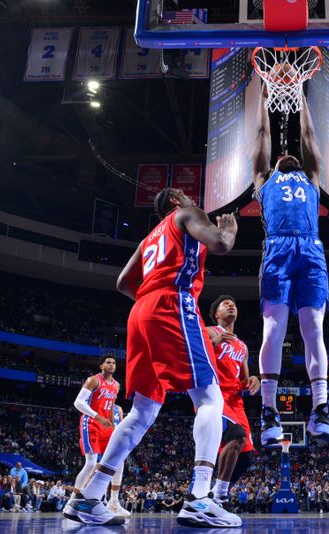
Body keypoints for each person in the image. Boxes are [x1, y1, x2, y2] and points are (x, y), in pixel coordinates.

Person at [67, 188, 240, 527]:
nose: (191, 198)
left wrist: (149, 300)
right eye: (185, 195)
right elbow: (220, 244)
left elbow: (122, 283)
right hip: (173, 303)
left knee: (142, 412)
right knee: (209, 398)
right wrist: (229, 228)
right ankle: (199, 499)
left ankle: (89, 497)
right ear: (176, 202)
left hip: (141, 311)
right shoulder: (188, 214)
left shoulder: (149, 238)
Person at [252, 84, 329, 446]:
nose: (288, 154)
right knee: (274, 328)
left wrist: (301, 96)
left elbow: (309, 134)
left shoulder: (313, 178)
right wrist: (263, 99)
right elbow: (262, 134)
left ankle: (321, 410)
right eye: (281, 155)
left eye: (293, 154)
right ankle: (269, 412)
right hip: (278, 252)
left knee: (313, 326)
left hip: (311, 251)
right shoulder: (263, 178)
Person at [205, 295, 261, 506]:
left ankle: (216, 494)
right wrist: (211, 343)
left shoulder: (243, 346)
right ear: (216, 314)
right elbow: (192, 353)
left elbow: (243, 379)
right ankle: (218, 495)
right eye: (225, 304)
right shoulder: (210, 331)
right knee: (236, 436)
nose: (231, 305)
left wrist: (253, 379)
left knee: (246, 458)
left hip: (236, 401)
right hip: (215, 396)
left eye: (234, 304)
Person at [64, 356, 128, 518]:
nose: (111, 364)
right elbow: (78, 403)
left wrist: (114, 426)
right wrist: (97, 416)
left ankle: (114, 502)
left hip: (107, 425)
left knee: (118, 461)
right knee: (91, 463)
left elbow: (112, 405)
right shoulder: (94, 380)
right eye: (108, 362)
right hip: (91, 422)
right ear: (101, 365)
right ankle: (72, 501)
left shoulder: (116, 385)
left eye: (113, 363)